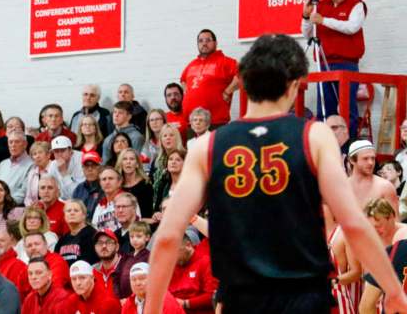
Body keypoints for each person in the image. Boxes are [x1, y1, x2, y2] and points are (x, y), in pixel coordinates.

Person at [146, 34, 407, 314]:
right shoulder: (314, 136)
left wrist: (151, 309)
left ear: (243, 81)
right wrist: (393, 291)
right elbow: (354, 224)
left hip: (240, 299)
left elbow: (167, 237)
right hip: (303, 297)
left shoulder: (207, 145)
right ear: (294, 84)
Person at [301, 0, 367, 138]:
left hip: (347, 64)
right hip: (324, 63)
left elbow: (352, 27)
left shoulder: (357, 4)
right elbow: (307, 34)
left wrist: (324, 20)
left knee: (347, 109)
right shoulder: (321, 6)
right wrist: (306, 17)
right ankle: (325, 145)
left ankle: (349, 148)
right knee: (325, 108)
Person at [180, 29, 239, 129]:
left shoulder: (225, 61)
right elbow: (182, 79)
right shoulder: (192, 64)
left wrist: (228, 91)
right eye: (201, 41)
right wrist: (187, 90)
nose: (204, 43)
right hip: (192, 123)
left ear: (215, 43)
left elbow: (243, 75)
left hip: (215, 122)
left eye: (208, 40)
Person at [166, 232, 217, 313]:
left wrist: (186, 303)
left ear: (188, 245)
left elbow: (212, 295)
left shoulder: (205, 262)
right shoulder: (171, 265)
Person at [348, 139, 399, 213]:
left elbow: (395, 222)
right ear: (352, 160)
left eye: (373, 158)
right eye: (365, 159)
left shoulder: (385, 187)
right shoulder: (343, 187)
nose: (371, 162)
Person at [114, 221, 151, 300]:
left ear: (147, 237)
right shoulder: (125, 256)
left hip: (141, 299)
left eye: (138, 236)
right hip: (123, 300)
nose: (135, 240)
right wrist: (119, 297)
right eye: (132, 236)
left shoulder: (150, 257)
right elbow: (116, 276)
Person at [0, 131, 33, 206]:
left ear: (25, 145)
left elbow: (23, 193)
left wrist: (4, 202)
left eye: (17, 142)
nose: (13, 145)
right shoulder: (3, 164)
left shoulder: (31, 165)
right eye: (10, 142)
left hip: (15, 208)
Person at [55, 199, 98, 266]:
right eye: (68, 211)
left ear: (84, 215)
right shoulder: (62, 240)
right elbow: (56, 262)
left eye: (76, 210)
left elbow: (90, 261)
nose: (72, 213)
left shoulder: (91, 234)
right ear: (64, 216)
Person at [118, 149, 154, 225]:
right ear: (121, 164)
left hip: (143, 227)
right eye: (125, 159)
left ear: (137, 164)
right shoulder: (118, 186)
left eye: (132, 159)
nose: (128, 162)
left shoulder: (146, 185)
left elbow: (149, 214)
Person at [24, 142, 61, 208]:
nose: (37, 156)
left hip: (54, 206)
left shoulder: (56, 167)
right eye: (34, 154)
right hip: (36, 210)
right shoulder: (32, 173)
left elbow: (61, 193)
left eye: (40, 152)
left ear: (48, 155)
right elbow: (28, 197)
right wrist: (31, 207)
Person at [72, 151, 104, 220]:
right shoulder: (78, 189)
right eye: (86, 166)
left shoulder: (106, 186)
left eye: (94, 165)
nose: (90, 169)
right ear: (82, 169)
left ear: (100, 167)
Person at [91, 167, 123, 231]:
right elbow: (94, 229)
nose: (107, 182)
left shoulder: (128, 200)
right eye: (104, 179)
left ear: (119, 182)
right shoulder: (99, 205)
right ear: (100, 183)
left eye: (111, 178)